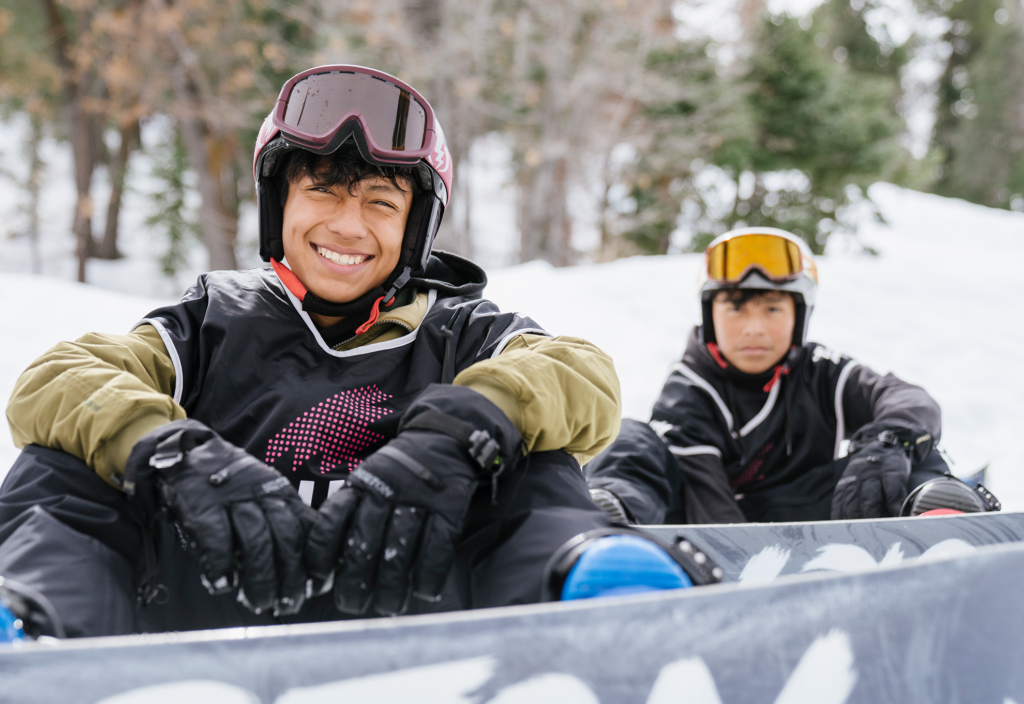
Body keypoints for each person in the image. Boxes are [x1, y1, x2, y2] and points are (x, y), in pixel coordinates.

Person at [0, 65, 700, 638]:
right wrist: (170, 449)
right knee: (69, 459)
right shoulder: (212, 319)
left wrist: (462, 433)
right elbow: (59, 379)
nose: (347, 224)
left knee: (527, 454)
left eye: (379, 203)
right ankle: (33, 623)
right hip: (210, 597)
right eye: (323, 190)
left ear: (414, 228)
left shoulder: (460, 330)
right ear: (280, 204)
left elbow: (580, 373)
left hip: (420, 602)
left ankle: (590, 609)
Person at [585, 227, 999, 525]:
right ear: (709, 315)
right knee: (628, 439)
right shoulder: (689, 390)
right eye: (736, 308)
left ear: (799, 317)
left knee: (906, 443)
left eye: (772, 308)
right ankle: (608, 533)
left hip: (805, 517)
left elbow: (907, 398)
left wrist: (888, 443)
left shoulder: (820, 371)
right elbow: (708, 504)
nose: (754, 328)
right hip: (701, 530)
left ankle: (942, 524)